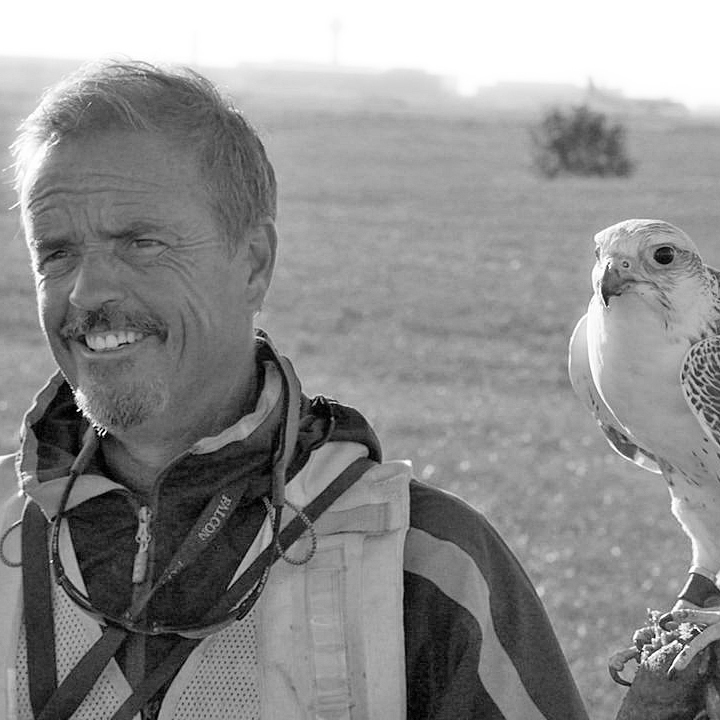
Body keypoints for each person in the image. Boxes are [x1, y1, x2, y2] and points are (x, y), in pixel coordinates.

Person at [0, 60, 589, 720]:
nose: (86, 292)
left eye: (140, 242)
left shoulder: (426, 563)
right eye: (56, 253)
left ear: (255, 263)